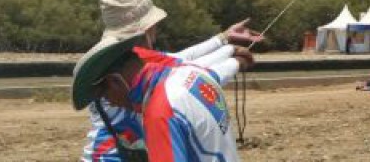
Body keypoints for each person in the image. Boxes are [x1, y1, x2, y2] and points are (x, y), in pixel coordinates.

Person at [78, 0, 261, 162]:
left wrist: (226, 44)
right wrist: (230, 51)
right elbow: (187, 67)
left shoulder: (131, 63)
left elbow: (183, 64)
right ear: (149, 28)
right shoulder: (135, 66)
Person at [73, 35, 255, 162]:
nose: (110, 103)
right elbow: (219, 72)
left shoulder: (160, 113)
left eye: (104, 95)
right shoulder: (192, 74)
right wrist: (238, 60)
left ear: (115, 81)